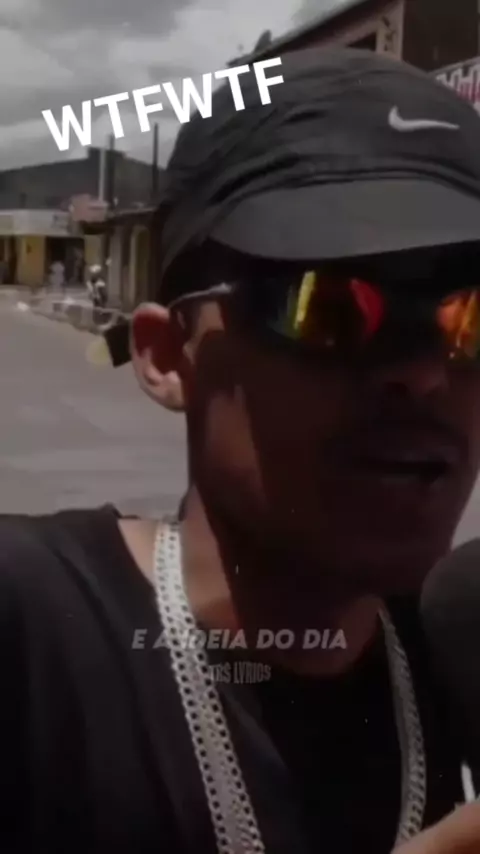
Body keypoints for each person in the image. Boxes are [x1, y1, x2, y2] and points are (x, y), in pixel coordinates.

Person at [3, 47, 480, 853]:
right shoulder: (29, 633)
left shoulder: (457, 657)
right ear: (167, 356)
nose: (425, 372)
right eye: (330, 308)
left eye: (472, 318)